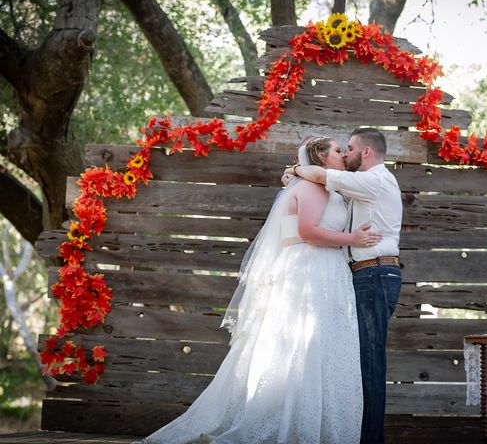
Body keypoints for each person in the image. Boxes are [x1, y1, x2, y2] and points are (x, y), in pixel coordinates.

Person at [133, 137, 382, 444]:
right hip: (313, 269)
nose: (343, 155)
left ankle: (307, 421)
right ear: (320, 156)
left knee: (317, 348)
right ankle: (294, 426)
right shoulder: (312, 188)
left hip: (321, 267)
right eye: (337, 150)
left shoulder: (318, 184)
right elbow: (308, 231)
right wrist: (352, 239)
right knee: (306, 346)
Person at [287, 128, 403, 444]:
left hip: (375, 275)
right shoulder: (362, 186)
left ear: (365, 152)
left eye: (349, 148)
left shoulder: (375, 180)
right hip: (366, 276)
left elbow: (322, 175)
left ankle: (370, 440)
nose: (346, 153)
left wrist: (296, 170)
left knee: (369, 362)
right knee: (361, 360)